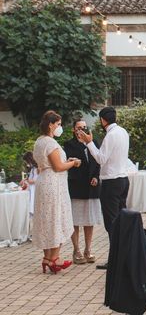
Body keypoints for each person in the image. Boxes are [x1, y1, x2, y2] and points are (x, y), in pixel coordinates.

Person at [76, 106, 130, 270]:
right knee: (121, 220)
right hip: (123, 180)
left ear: (103, 120)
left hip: (111, 182)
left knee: (112, 223)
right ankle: (124, 256)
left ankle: (115, 260)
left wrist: (89, 142)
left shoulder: (111, 135)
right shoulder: (123, 132)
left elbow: (101, 159)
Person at [32, 110, 81, 274]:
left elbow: (49, 163)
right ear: (51, 125)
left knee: (47, 218)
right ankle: (54, 258)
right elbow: (58, 167)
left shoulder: (39, 141)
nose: (60, 127)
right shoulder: (51, 143)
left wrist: (65, 162)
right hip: (53, 184)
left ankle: (47, 257)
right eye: (58, 124)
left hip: (44, 181)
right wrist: (73, 163)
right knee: (56, 217)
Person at [64, 119, 102, 265]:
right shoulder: (69, 144)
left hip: (91, 186)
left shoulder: (93, 142)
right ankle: (76, 250)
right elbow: (67, 162)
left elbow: (98, 161)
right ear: (74, 130)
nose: (82, 129)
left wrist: (96, 177)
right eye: (79, 127)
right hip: (76, 185)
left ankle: (88, 249)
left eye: (85, 127)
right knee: (76, 220)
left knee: (89, 220)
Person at [20, 151, 38, 216]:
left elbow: (37, 179)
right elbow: (30, 177)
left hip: (35, 188)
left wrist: (28, 181)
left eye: (26, 162)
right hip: (31, 187)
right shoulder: (32, 168)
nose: (26, 163)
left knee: (33, 201)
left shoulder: (37, 167)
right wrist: (25, 179)